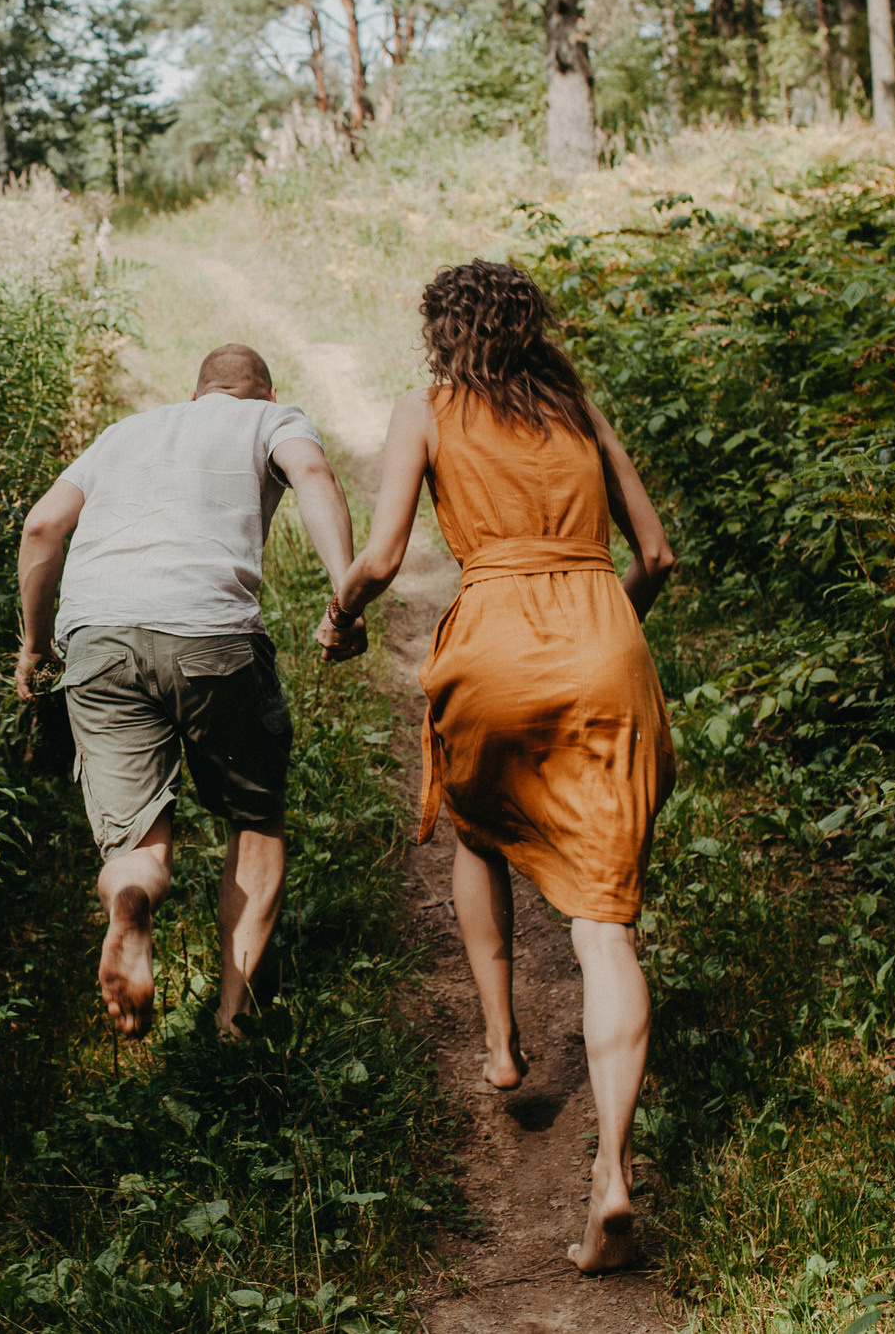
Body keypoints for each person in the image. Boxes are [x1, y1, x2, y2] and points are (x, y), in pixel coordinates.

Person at [319, 260, 677, 1275]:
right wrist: (606, 637)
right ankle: (611, 1175)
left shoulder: (424, 410)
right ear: (531, 328)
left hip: (492, 647)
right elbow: (654, 554)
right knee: (606, 928)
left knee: (477, 825)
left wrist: (339, 618)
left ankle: (502, 1044)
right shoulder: (577, 409)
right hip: (604, 644)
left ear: (442, 332)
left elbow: (383, 559)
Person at [15, 343, 361, 1040]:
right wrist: (345, 592)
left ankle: (133, 896)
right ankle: (237, 1018)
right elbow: (315, 474)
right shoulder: (272, 420)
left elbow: (42, 526)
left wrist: (35, 643)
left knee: (137, 845)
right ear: (265, 393)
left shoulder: (124, 433)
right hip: (212, 635)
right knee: (254, 819)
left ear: (197, 391)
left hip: (99, 640)